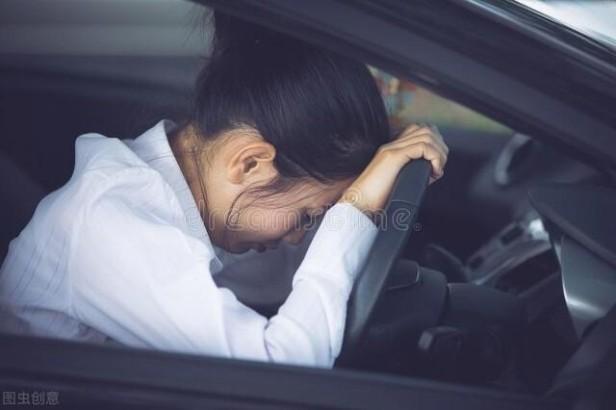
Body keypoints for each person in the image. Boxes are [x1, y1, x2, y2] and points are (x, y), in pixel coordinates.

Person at [0, 12, 448, 367]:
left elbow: (278, 276)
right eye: (311, 216)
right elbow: (280, 373)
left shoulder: (178, 192)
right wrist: (356, 208)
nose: (298, 237)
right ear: (250, 163)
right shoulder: (110, 224)